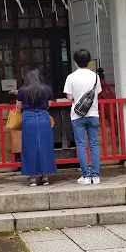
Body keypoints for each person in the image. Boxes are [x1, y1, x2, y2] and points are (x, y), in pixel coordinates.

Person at [64, 49, 102, 185]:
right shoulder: (95, 77)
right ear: (89, 60)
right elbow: (97, 93)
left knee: (81, 145)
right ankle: (95, 176)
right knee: (94, 145)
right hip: (93, 114)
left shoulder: (71, 77)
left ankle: (85, 176)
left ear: (75, 62)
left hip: (77, 115)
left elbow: (69, 97)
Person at [16, 68, 57, 186]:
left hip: (28, 118)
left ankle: (32, 177)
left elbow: (18, 107)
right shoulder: (47, 89)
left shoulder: (22, 90)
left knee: (29, 147)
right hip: (43, 117)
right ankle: (45, 176)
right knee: (45, 146)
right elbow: (49, 105)